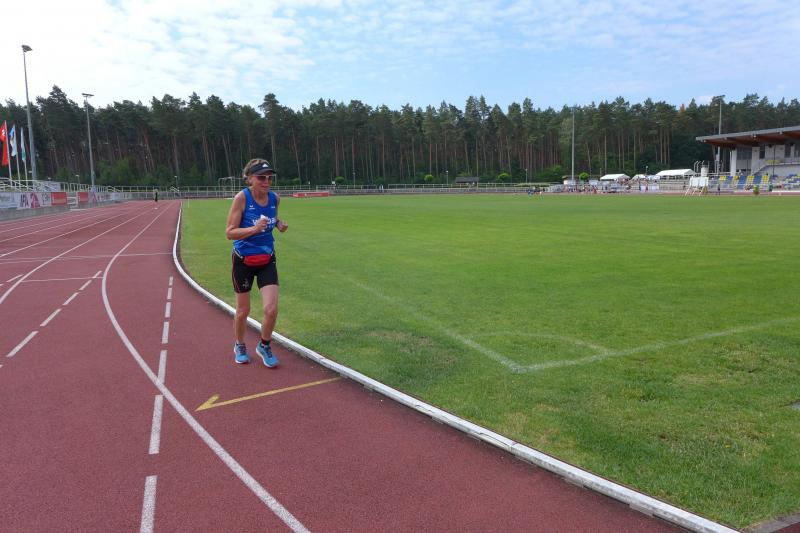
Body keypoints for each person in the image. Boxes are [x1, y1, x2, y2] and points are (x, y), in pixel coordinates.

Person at [225, 158, 288, 367]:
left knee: (271, 309)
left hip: (267, 260)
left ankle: (264, 345)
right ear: (250, 179)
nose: (266, 181)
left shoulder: (275, 198)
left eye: (269, 178)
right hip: (243, 261)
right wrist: (254, 229)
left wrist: (278, 224)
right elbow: (229, 233)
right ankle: (240, 344)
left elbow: (271, 217)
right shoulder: (241, 198)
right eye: (261, 177)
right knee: (243, 311)